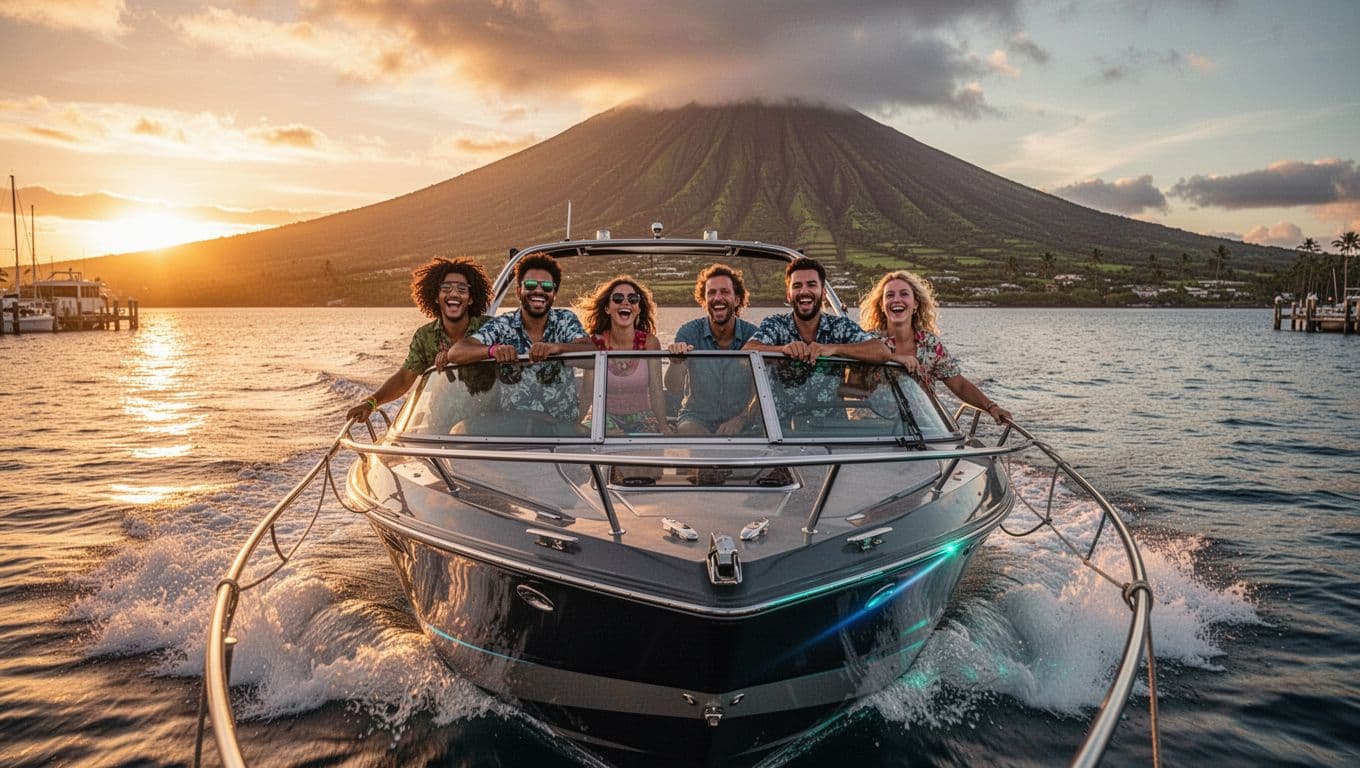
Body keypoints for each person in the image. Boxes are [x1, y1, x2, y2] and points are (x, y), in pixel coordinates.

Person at [449, 252, 593, 422]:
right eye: (530, 284)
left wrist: (557, 348)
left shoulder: (565, 320)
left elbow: (592, 354)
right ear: (519, 291)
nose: (539, 290)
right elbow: (456, 352)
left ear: (554, 293)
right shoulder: (503, 325)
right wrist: (493, 350)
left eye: (547, 286)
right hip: (514, 430)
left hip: (562, 428)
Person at [346, 256, 492, 421]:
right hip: (439, 428)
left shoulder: (491, 329)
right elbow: (403, 379)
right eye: (446, 288)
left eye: (462, 289)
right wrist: (370, 403)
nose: (454, 293)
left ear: (471, 299)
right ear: (436, 297)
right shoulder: (424, 337)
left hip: (486, 426)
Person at [858, 269, 1012, 424]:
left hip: (920, 429)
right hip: (872, 427)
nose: (897, 299)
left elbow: (958, 384)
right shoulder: (867, 340)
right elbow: (847, 384)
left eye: (904, 294)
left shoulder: (930, 344)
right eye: (890, 295)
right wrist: (890, 357)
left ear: (916, 304)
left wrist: (991, 407)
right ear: (882, 306)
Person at [664, 263, 759, 435]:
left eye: (725, 292)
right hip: (696, 417)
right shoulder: (688, 332)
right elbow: (673, 387)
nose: (718, 297)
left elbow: (760, 392)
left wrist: (740, 420)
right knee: (687, 430)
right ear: (704, 300)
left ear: (737, 299)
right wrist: (675, 362)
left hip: (744, 419)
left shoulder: (753, 335)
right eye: (711, 293)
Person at [576, 275, 672, 435]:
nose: (625, 302)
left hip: (642, 416)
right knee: (596, 435)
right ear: (607, 308)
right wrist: (577, 424)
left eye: (633, 299)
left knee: (650, 443)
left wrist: (663, 426)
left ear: (638, 308)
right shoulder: (596, 343)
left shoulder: (650, 343)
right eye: (618, 298)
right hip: (604, 416)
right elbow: (587, 391)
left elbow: (656, 388)